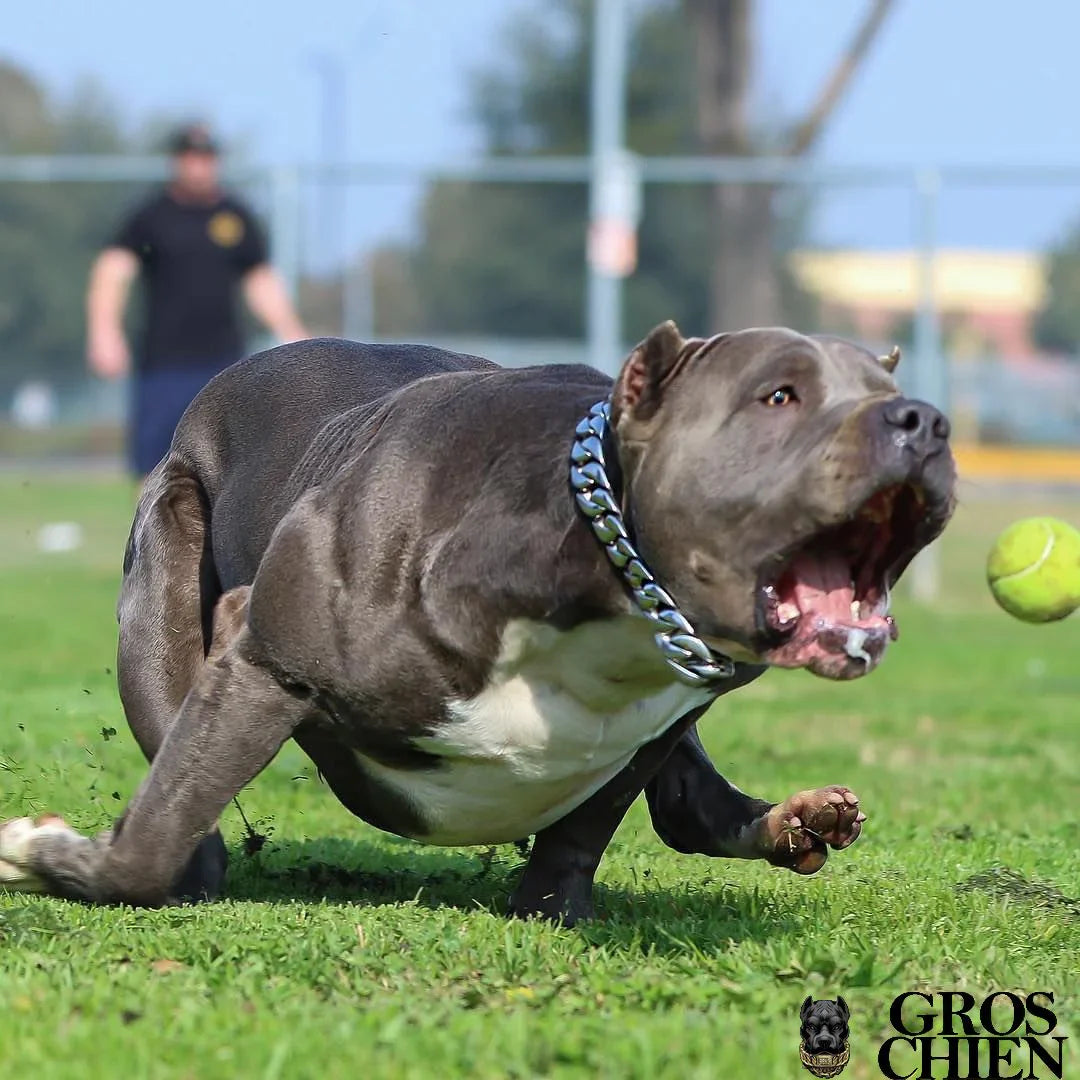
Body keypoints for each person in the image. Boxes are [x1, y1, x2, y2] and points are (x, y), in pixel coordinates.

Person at [86, 123, 308, 477]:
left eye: (205, 158)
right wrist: (104, 332)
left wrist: (292, 332)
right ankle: (152, 534)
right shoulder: (152, 216)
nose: (198, 166)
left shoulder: (235, 216)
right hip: (164, 363)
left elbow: (260, 280)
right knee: (155, 468)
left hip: (224, 364)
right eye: (190, 157)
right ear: (176, 162)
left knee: (225, 469)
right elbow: (113, 271)